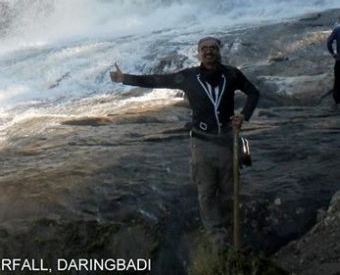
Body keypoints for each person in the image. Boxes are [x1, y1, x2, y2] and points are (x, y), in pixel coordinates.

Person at [110, 36, 259, 245]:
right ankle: (216, 235)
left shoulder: (232, 74)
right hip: (202, 142)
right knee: (206, 191)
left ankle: (230, 226)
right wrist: (124, 78)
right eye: (204, 48)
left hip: (227, 140)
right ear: (199, 53)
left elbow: (253, 93)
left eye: (213, 48)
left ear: (219, 51)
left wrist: (243, 115)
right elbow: (157, 80)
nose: (208, 51)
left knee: (229, 189)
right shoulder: (189, 77)